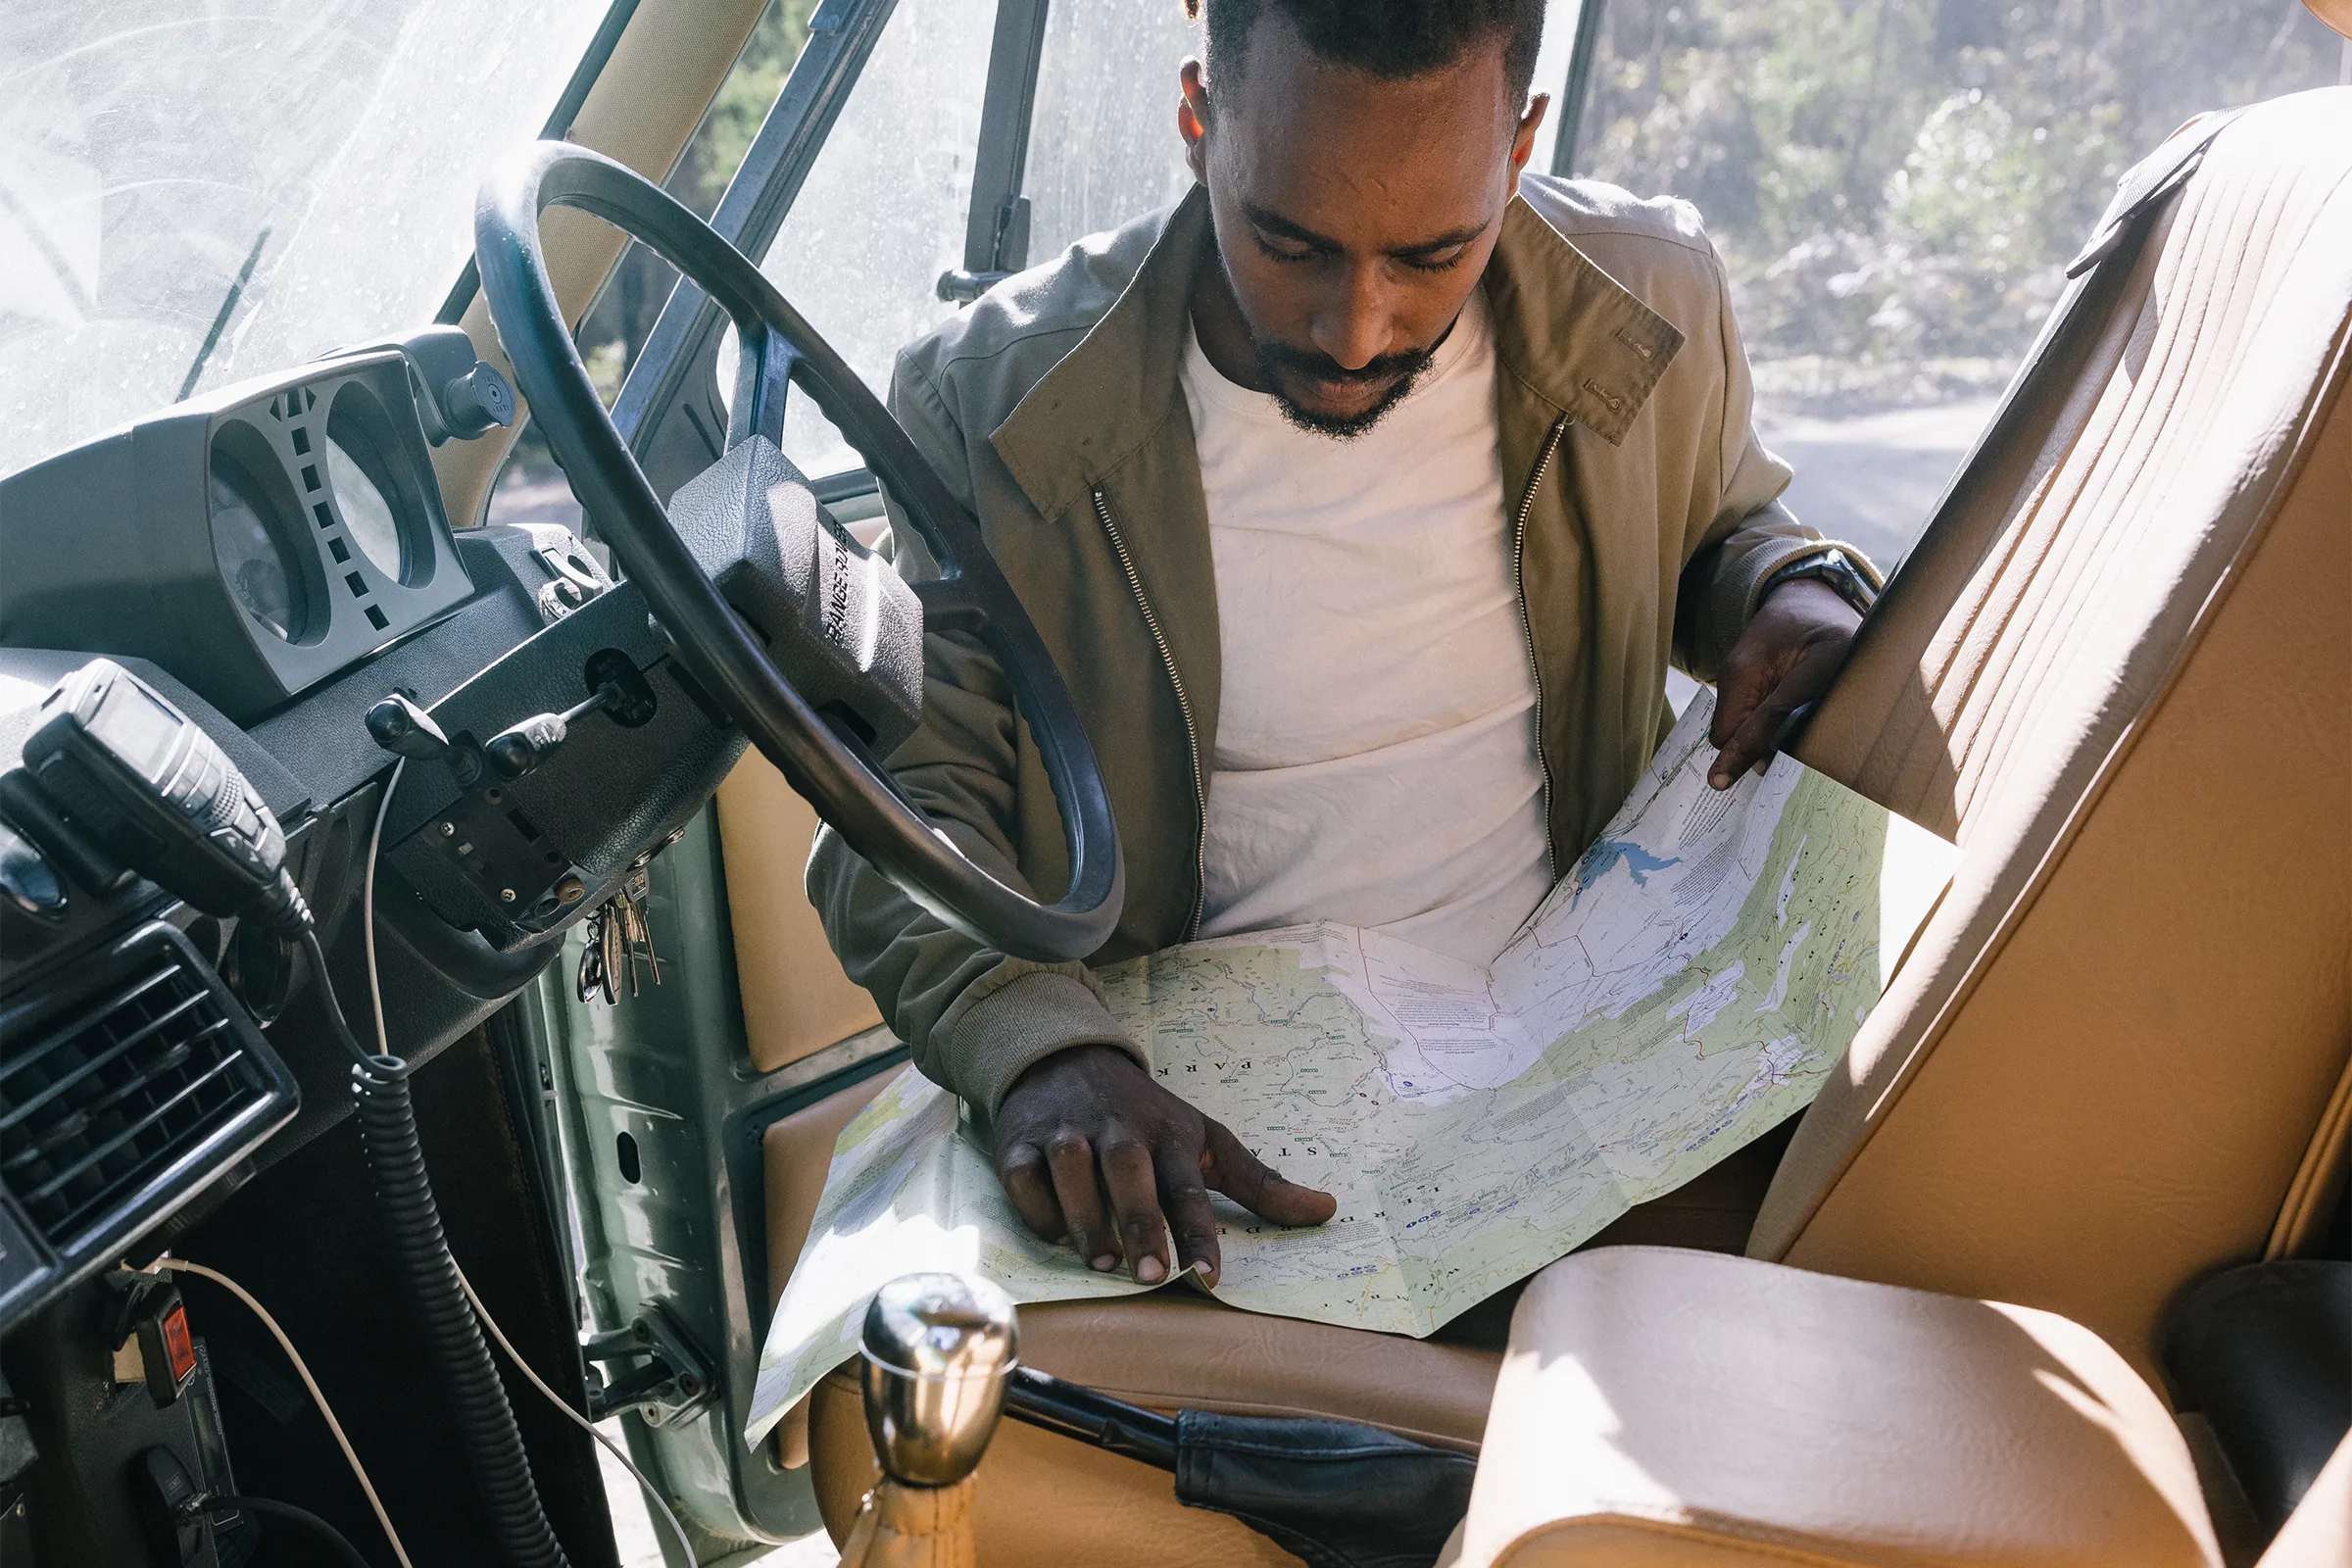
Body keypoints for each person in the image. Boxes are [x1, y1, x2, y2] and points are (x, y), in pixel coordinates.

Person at [809, 0, 1879, 1296]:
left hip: (1592, 1051)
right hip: (1211, 1116)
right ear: (1198, 120)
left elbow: (1717, 524)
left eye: (1433, 255)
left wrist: (1788, 587)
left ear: (1520, 146)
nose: (1357, 329)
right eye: (1290, 244)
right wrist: (1043, 1047)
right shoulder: (989, 401)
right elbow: (907, 800)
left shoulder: (1651, 298)